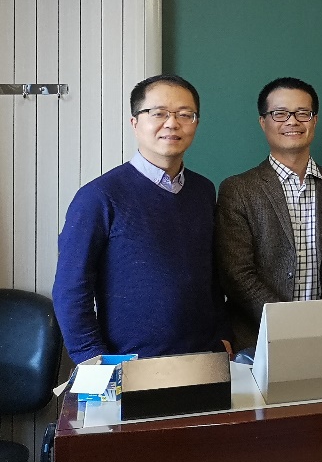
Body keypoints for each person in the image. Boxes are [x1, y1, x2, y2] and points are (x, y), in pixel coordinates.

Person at [53, 75, 230, 363]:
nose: (172, 123)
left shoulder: (203, 190)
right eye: (158, 113)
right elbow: (71, 289)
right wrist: (92, 359)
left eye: (185, 114)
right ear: (135, 123)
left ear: (196, 123)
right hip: (129, 365)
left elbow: (210, 273)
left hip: (204, 359)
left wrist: (223, 333)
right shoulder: (98, 197)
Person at [215, 77, 322, 351]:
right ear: (263, 122)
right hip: (257, 340)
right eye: (279, 113)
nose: (292, 121)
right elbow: (237, 275)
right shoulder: (238, 189)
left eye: (302, 113)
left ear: (314, 120)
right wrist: (287, 326)